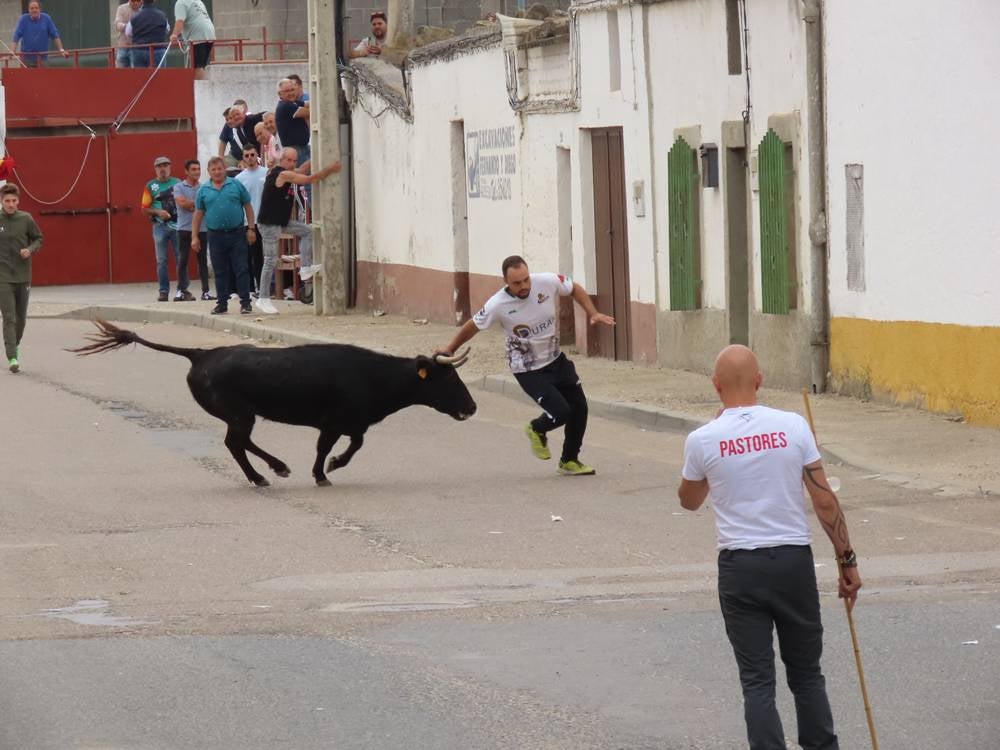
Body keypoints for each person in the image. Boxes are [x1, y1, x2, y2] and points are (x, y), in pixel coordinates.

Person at [677, 344, 862, 750]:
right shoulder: (794, 426)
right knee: (807, 674)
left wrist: (714, 465)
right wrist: (846, 560)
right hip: (793, 562)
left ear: (715, 386)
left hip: (740, 567)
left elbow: (689, 501)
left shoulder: (703, 439)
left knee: (757, 681)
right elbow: (824, 501)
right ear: (759, 381)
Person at [438, 256, 615, 475]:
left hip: (555, 359)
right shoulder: (497, 304)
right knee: (561, 411)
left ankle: (569, 460)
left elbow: (574, 288)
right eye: (516, 283)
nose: (524, 286)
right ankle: (536, 428)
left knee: (580, 408)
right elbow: (473, 325)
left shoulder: (547, 281)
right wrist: (450, 348)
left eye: (526, 279)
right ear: (506, 282)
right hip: (527, 368)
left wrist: (593, 313)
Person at [254, 148, 341, 315]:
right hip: (269, 224)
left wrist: (315, 157)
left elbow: (301, 170)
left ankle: (305, 268)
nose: (293, 164)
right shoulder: (282, 174)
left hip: (281, 221)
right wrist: (331, 169)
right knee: (270, 260)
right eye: (289, 160)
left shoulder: (289, 172)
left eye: (295, 160)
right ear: (282, 160)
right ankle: (263, 298)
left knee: (307, 231)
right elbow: (309, 179)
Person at [191, 156, 256, 315]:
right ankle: (222, 304)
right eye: (213, 169)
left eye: (219, 168)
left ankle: (245, 303)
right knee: (219, 271)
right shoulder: (203, 190)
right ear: (209, 172)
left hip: (237, 234)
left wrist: (251, 229)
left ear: (224, 169)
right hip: (215, 236)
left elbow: (248, 206)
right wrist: (195, 236)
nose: (217, 172)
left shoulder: (236, 185)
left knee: (241, 268)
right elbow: (198, 214)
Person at [0, 184, 42, 374]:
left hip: (23, 275)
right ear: (1, 201)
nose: (10, 204)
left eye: (14, 201)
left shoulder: (26, 219)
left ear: (18, 201)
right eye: (7, 201)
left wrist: (30, 249)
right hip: (3, 276)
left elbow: (38, 239)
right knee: (9, 317)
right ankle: (12, 357)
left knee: (21, 319)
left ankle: (13, 344)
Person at [141, 156, 189, 302]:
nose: (163, 169)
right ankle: (163, 292)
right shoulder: (150, 186)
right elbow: (144, 209)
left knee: (181, 258)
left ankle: (183, 290)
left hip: (177, 226)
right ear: (155, 169)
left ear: (170, 167)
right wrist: (157, 212)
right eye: (159, 166)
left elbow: (185, 201)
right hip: (159, 226)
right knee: (161, 260)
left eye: (165, 166)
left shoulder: (178, 182)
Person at [173, 158, 215, 301]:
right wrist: (198, 205)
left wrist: (192, 205)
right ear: (186, 171)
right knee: (183, 259)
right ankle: (181, 290)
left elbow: (206, 205)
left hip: (202, 229)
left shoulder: (204, 187)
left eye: (198, 169)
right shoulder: (179, 187)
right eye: (193, 169)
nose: (197, 172)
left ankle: (205, 292)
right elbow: (182, 203)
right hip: (184, 228)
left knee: (202, 261)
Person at [235, 144, 267, 294]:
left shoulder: (266, 173)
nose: (250, 158)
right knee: (250, 256)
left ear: (257, 155)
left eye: (252, 155)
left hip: (265, 220)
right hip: (248, 222)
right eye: (246, 155)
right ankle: (251, 288)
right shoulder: (239, 179)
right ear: (243, 158)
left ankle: (264, 288)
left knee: (265, 256)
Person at [12, 1, 70, 68]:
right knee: (26, 75)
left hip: (43, 58)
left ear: (40, 9)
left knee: (43, 74)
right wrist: (12, 51)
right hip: (27, 59)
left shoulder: (46, 18)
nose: (34, 10)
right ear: (28, 10)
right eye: (32, 8)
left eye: (36, 8)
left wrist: (61, 50)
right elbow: (16, 36)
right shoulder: (23, 19)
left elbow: (55, 35)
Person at [169, 0, 215, 80]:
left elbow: (180, 21)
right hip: (210, 34)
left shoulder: (180, 3)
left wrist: (174, 35)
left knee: (197, 67)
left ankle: (199, 87)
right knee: (201, 65)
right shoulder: (197, 1)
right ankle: (202, 84)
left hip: (198, 36)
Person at [275, 78, 311, 167]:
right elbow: (309, 112)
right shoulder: (285, 105)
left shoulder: (292, 103)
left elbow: (308, 104)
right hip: (295, 151)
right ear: (280, 94)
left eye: (292, 90)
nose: (291, 93)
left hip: (300, 149)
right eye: (287, 91)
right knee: (302, 175)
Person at [127, 0, 170, 69]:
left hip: (139, 50)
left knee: (140, 75)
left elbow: (128, 32)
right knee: (159, 74)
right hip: (158, 49)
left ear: (142, 1)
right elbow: (167, 29)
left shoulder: (135, 17)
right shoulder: (162, 15)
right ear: (154, 1)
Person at [113, 0, 142, 68]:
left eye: (138, 1)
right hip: (123, 46)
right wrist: (128, 27)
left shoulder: (142, 11)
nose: (136, 3)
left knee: (134, 71)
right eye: (133, 1)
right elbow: (117, 24)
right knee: (120, 70)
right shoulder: (121, 8)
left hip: (136, 47)